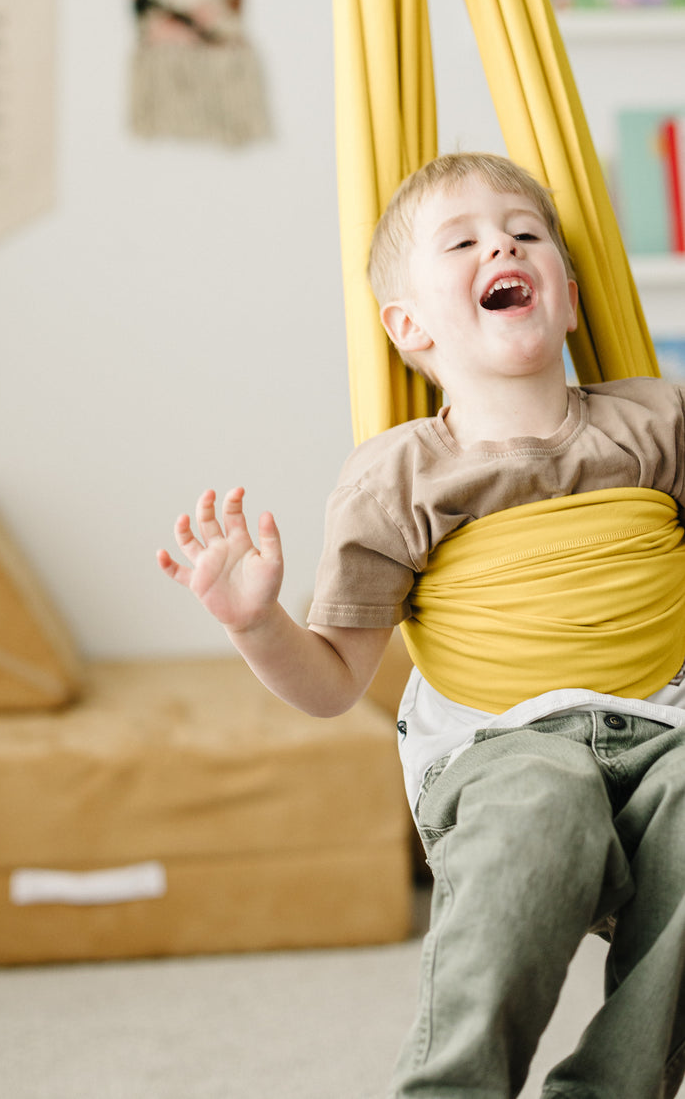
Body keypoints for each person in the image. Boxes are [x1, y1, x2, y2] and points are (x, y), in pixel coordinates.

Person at [157, 151, 685, 1099]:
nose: (502, 246)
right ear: (409, 328)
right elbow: (331, 685)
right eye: (465, 241)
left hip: (668, 734)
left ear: (568, 297)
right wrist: (254, 621)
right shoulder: (397, 477)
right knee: (543, 802)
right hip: (502, 749)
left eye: (525, 235)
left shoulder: (653, 422)